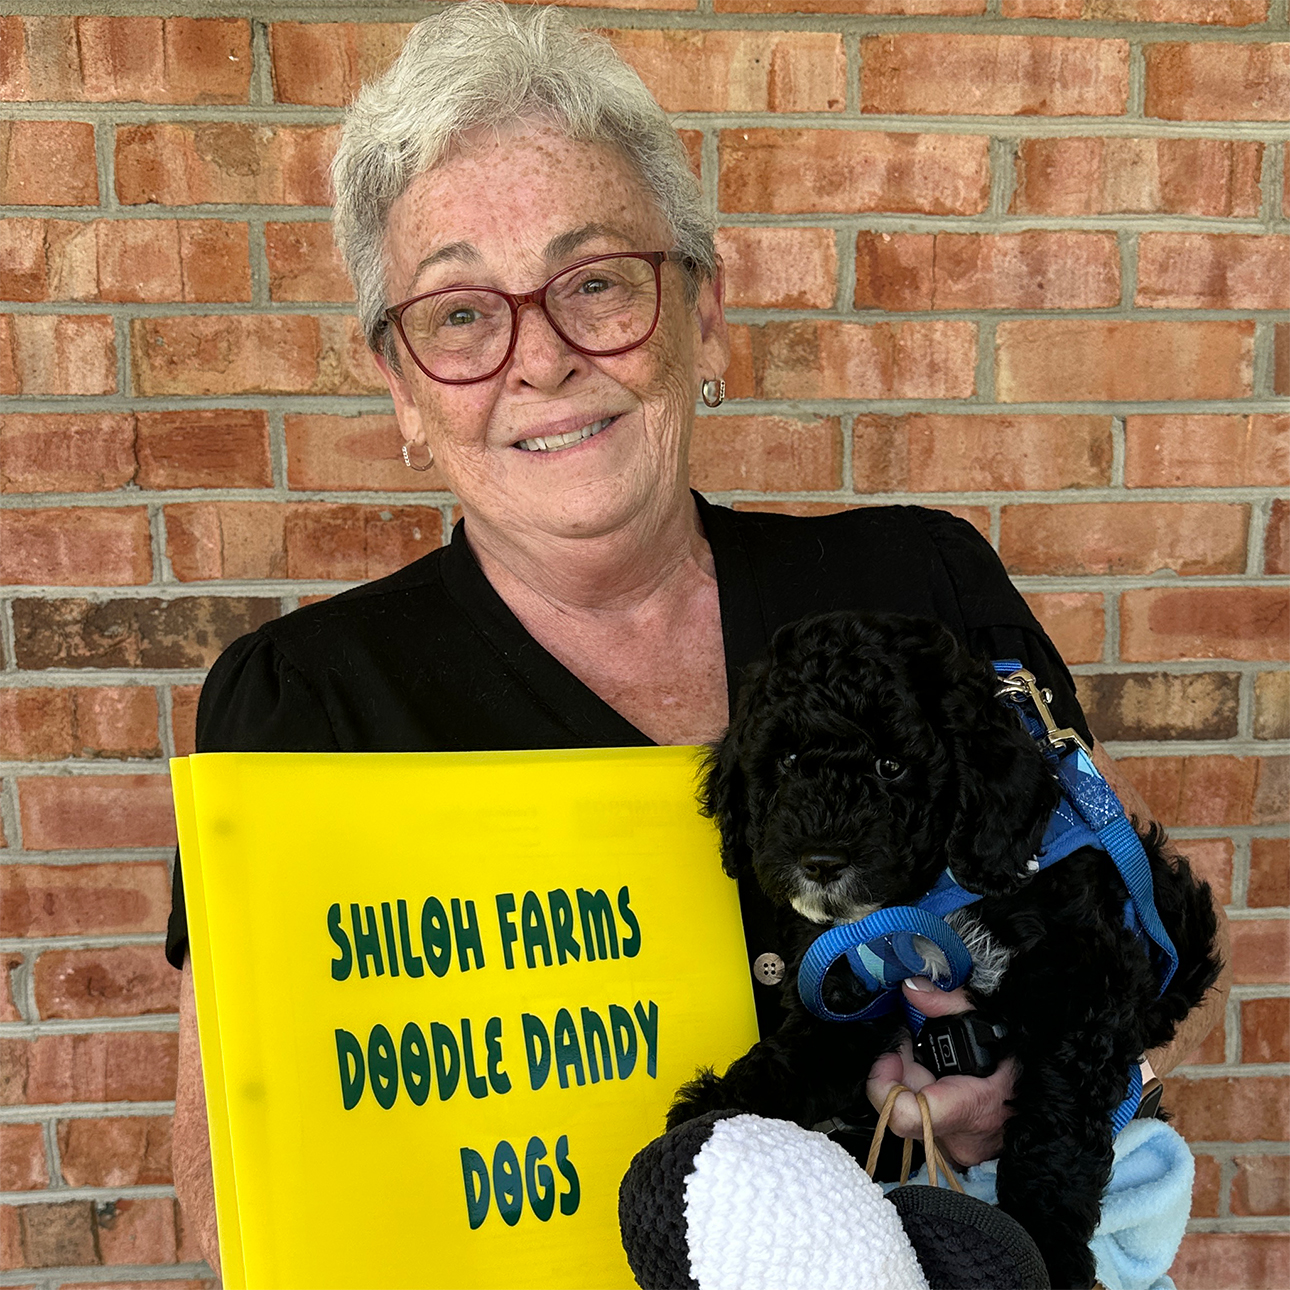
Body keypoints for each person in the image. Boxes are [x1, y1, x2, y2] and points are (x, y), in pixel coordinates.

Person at [167, 2, 1230, 1274]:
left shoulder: (924, 588)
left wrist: (1021, 1099)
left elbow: (1112, 955)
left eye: (596, 282)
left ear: (704, 314)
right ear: (399, 386)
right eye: (458, 313)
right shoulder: (301, 705)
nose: (541, 359)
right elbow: (244, 1201)